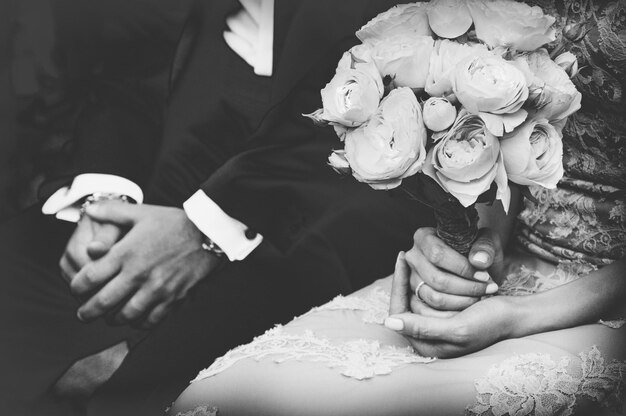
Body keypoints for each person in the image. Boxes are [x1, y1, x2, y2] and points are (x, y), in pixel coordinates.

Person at [0, 0, 458, 415]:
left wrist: (205, 230)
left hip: (322, 221)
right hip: (153, 189)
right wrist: (103, 201)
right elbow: (133, 71)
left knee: (134, 394)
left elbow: (378, 121)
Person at [168, 1, 626, 415]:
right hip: (518, 253)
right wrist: (480, 241)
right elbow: (511, 126)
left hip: (603, 295)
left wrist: (515, 319)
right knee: (229, 393)